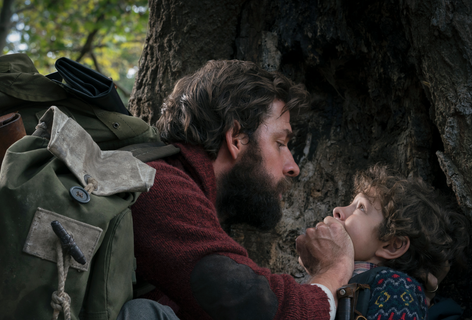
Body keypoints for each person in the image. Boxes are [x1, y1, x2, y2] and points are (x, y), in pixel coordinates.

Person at [129, 60, 355, 320]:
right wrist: (335, 269)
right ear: (236, 139)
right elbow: (256, 307)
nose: (293, 167)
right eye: (280, 143)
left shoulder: (179, 188)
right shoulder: (157, 186)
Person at [305, 165, 469, 320]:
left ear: (392, 245)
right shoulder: (350, 281)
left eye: (361, 207)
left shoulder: (396, 288)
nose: (338, 210)